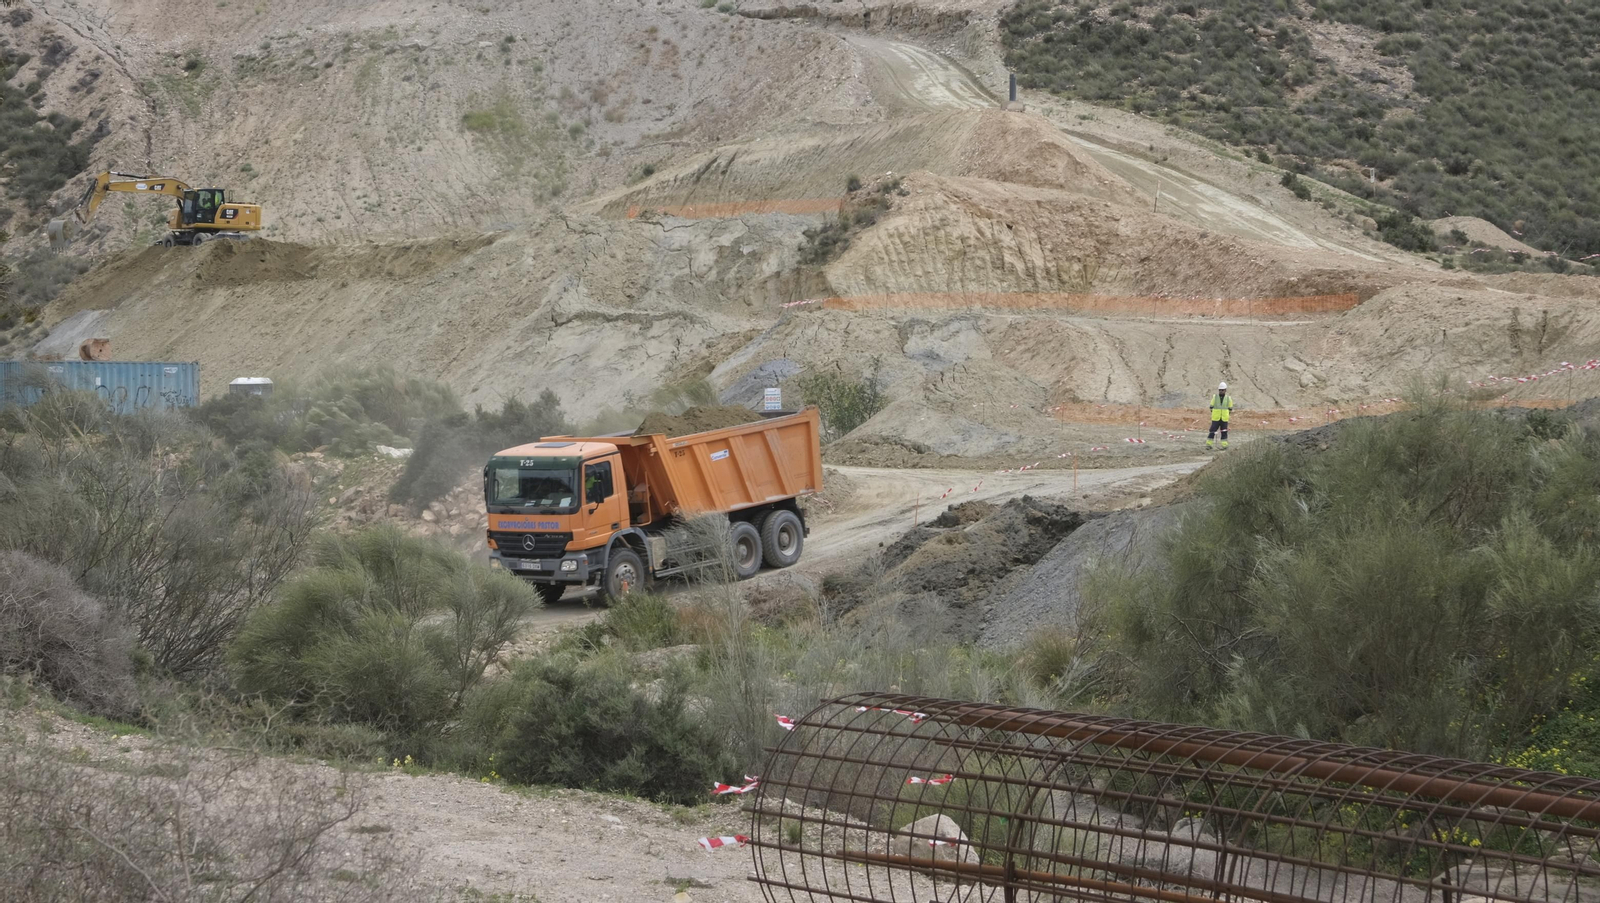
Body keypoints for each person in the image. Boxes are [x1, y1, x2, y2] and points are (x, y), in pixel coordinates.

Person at [1206, 381, 1234, 450]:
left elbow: (1230, 408)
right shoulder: (1215, 397)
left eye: (1222, 390)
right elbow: (1211, 407)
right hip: (1216, 418)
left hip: (1224, 418)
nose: (1221, 391)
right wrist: (1215, 413)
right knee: (1212, 431)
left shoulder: (1228, 398)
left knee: (1224, 431)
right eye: (1220, 390)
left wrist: (1226, 414)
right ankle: (1208, 444)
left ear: (1225, 390)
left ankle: (1224, 445)